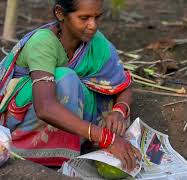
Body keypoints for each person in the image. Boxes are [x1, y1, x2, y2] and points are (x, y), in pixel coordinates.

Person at [0, 0, 141, 171]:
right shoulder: (43, 43)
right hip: (22, 117)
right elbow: (45, 107)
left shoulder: (96, 43)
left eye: (97, 17)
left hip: (67, 118)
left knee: (95, 93)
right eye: (84, 18)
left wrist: (119, 110)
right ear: (60, 13)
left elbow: (122, 84)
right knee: (66, 78)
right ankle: (33, 154)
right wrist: (106, 138)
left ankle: (78, 143)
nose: (93, 25)